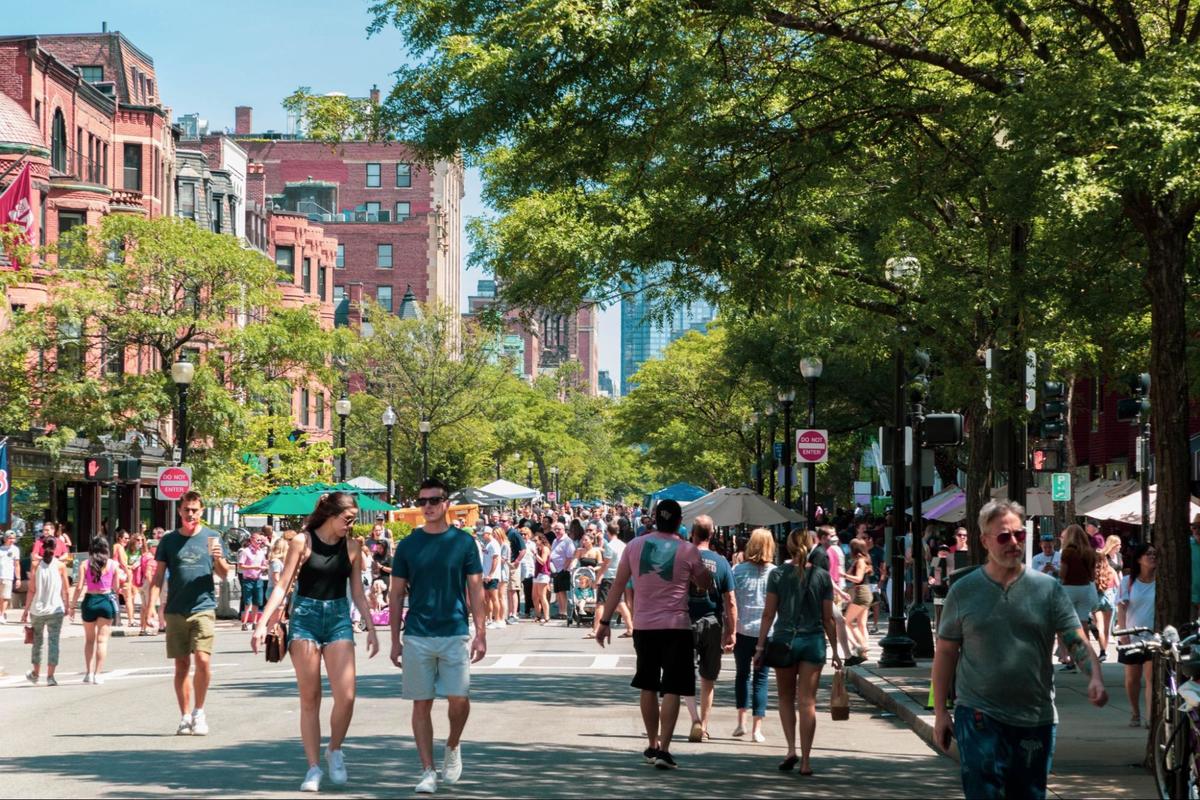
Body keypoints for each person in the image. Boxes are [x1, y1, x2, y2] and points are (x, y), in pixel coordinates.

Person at [932, 499, 1107, 800]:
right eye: (1003, 536)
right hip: (978, 715)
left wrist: (1094, 676)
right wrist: (939, 712)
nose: (1013, 543)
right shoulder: (964, 590)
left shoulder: (1047, 589)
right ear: (985, 540)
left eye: (1019, 535)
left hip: (1034, 719)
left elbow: (1076, 640)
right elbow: (945, 653)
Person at [253, 492, 379, 792]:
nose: (350, 525)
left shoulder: (352, 547)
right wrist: (262, 624)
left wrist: (371, 627)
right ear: (331, 515)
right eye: (347, 519)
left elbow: (358, 594)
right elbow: (283, 585)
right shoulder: (302, 542)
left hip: (338, 618)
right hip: (305, 618)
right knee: (310, 698)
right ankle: (312, 768)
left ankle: (334, 749)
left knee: (346, 696)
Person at [595, 499, 713, 771]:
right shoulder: (688, 550)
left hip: (645, 626)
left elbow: (618, 584)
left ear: (654, 519)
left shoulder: (635, 546)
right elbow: (704, 583)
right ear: (679, 522)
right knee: (673, 687)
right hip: (676, 626)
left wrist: (604, 621)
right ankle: (665, 749)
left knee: (648, 684)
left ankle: (652, 742)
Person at [389, 479, 487, 795]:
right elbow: (395, 593)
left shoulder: (464, 542)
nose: (428, 506)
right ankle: (428, 770)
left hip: (455, 630)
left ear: (446, 503)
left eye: (434, 500)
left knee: (459, 699)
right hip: (417, 633)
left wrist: (481, 632)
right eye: (423, 501)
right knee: (422, 704)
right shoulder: (407, 545)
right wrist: (394, 638)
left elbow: (475, 587)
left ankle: (454, 744)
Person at [753, 529, 840, 776]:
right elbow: (828, 618)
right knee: (808, 702)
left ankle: (791, 749)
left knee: (784, 698)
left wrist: (760, 646)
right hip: (813, 641)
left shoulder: (778, 574)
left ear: (788, 547)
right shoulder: (822, 576)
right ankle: (806, 761)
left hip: (784, 640)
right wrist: (835, 650)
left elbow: (768, 614)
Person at [148, 490, 232, 737]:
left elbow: (225, 573)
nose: (190, 514)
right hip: (175, 609)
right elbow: (158, 576)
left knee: (203, 660)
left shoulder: (212, 537)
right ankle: (185, 716)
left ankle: (199, 711)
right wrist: (153, 608)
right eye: (186, 510)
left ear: (202, 511)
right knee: (181, 664)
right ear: (180, 511)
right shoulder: (169, 541)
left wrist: (218, 558)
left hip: (203, 607)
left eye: (195, 510)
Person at [682, 515, 735, 743]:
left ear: (692, 534)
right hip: (713, 622)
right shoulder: (721, 562)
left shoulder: (681, 559)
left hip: (685, 622)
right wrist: (732, 630)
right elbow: (730, 600)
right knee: (708, 678)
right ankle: (703, 725)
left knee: (685, 674)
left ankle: (694, 718)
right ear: (711, 535)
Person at [731, 528, 775, 742]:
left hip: (742, 630)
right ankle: (757, 728)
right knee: (761, 679)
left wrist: (728, 630)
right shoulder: (775, 572)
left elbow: (732, 603)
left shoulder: (738, 570)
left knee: (742, 675)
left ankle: (741, 722)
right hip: (766, 633)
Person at [69, 535, 120, 684]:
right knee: (102, 641)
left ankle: (88, 673)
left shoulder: (85, 564)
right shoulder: (113, 564)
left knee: (89, 640)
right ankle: (98, 674)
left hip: (90, 601)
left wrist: (72, 606)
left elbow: (79, 587)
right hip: (105, 601)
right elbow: (116, 588)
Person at [21, 534, 70, 685]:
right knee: (54, 642)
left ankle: (36, 674)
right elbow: (66, 590)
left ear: (42, 549)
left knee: (37, 643)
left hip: (38, 609)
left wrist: (25, 610)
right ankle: (50, 676)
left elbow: (31, 590)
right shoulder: (61, 566)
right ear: (56, 549)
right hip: (56, 609)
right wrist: (67, 606)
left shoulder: (36, 565)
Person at [1117, 542, 1156, 728]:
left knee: (1151, 678)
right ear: (1139, 559)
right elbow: (1121, 608)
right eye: (1148, 554)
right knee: (1133, 679)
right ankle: (1135, 712)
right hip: (1132, 636)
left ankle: (1149, 716)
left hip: (1154, 638)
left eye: (1155, 554)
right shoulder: (1128, 581)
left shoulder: (1162, 581)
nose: (1153, 557)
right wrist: (1123, 632)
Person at [1057, 524, 1099, 671]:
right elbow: (1093, 575)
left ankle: (1068, 658)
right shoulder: (1090, 552)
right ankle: (1089, 656)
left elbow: (1062, 574)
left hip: (1069, 588)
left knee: (1064, 624)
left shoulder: (1067, 552)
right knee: (1083, 624)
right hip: (1085, 588)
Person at [595, 521, 632, 637]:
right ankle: (631, 628)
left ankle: (596, 630)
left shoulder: (609, 545)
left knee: (600, 603)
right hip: (619, 575)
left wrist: (598, 577)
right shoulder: (623, 545)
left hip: (609, 576)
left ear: (608, 532)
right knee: (620, 603)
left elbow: (606, 563)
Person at [842, 539, 874, 661]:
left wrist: (842, 575)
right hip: (866, 592)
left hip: (861, 593)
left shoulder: (861, 561)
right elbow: (851, 572)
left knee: (846, 621)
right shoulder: (862, 559)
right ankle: (864, 653)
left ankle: (863, 646)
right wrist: (852, 564)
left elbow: (857, 578)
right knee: (861, 624)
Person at [238, 532, 269, 631]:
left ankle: (255, 622)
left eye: (260, 540)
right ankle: (245, 623)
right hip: (248, 580)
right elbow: (241, 566)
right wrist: (254, 567)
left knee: (257, 602)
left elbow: (264, 564)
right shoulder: (245, 551)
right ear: (252, 540)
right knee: (247, 602)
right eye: (258, 540)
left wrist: (265, 567)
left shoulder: (261, 552)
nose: (259, 542)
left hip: (258, 579)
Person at [549, 522, 575, 621]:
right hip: (555, 569)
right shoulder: (555, 540)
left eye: (559, 529)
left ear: (564, 529)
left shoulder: (568, 541)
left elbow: (570, 557)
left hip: (563, 570)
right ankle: (560, 611)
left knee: (562, 591)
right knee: (558, 592)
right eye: (555, 529)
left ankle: (563, 612)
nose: (557, 531)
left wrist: (564, 569)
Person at [504, 519, 525, 625]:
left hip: (512, 565)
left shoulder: (514, 533)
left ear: (510, 522)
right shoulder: (505, 533)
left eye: (504, 521)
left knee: (513, 590)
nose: (502, 522)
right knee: (508, 590)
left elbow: (523, 550)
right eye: (500, 520)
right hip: (506, 565)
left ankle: (514, 614)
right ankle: (510, 613)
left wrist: (516, 561)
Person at [0, 530, 22, 622]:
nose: (12, 540)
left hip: (8, 576)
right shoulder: (0, 548)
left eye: (13, 538)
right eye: (10, 538)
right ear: (5, 538)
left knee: (6, 596)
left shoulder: (15, 550)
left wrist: (18, 578)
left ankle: (1, 615)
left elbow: (17, 564)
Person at [532, 533, 553, 623]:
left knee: (542, 596)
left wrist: (536, 555)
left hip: (543, 574)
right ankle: (538, 615)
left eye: (536, 540)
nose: (535, 542)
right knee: (535, 596)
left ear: (541, 540)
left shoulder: (545, 548)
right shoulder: (538, 549)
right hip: (537, 574)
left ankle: (547, 616)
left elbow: (543, 561)